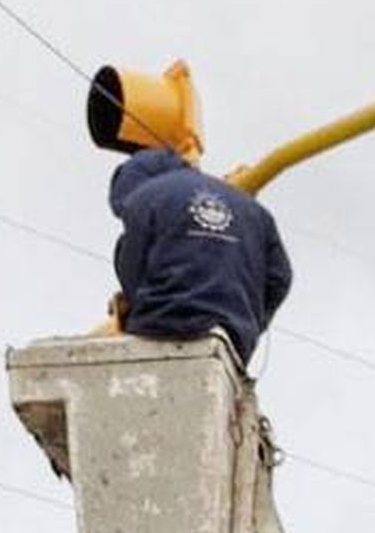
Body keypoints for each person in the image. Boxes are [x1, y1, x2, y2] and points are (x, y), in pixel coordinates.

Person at [107, 150, 292, 370]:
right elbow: (280, 277)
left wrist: (135, 307)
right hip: (232, 335)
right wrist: (248, 322)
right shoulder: (255, 211)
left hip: (161, 323)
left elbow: (132, 267)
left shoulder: (143, 196)